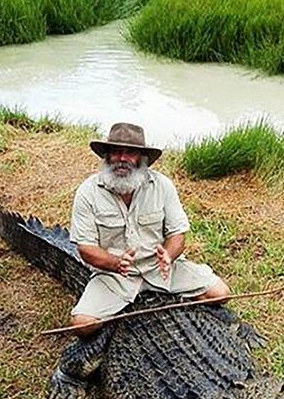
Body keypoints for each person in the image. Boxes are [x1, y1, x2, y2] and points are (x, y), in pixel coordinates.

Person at [68, 122, 230, 336]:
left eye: (130, 152)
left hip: (160, 269)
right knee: (82, 324)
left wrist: (168, 256)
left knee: (221, 293)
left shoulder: (163, 186)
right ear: (107, 156)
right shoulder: (88, 192)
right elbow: (86, 248)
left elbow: (177, 234)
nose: (122, 158)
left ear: (142, 158)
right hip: (115, 275)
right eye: (116, 151)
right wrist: (116, 263)